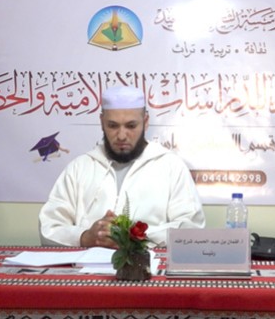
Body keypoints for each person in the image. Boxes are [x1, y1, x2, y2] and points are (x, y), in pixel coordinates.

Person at [39, 85, 206, 248]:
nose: (121, 136)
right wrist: (85, 237)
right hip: (87, 265)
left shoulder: (171, 167)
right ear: (102, 122)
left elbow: (191, 229)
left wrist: (132, 237)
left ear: (145, 122)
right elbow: (49, 227)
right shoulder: (80, 168)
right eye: (113, 126)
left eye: (131, 126)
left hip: (146, 265)